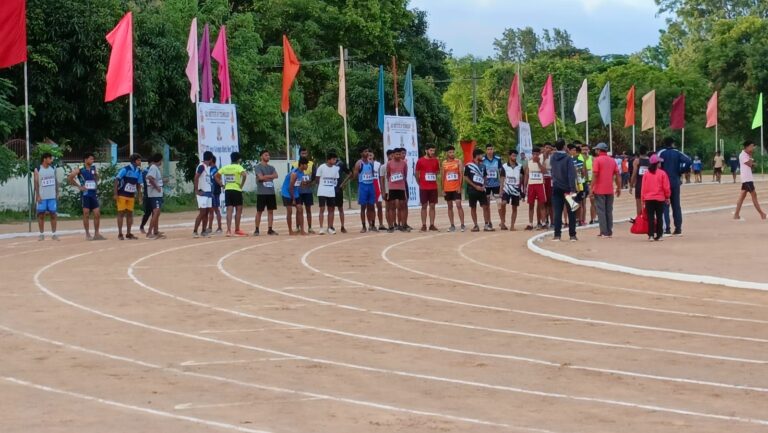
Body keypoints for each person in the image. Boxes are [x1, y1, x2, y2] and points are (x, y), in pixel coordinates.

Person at [67, 152, 105, 240]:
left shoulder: (93, 168)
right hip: (85, 194)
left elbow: (97, 178)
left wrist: (96, 178)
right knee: (86, 213)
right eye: (91, 159)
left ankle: (96, 234)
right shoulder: (80, 168)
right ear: (86, 159)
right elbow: (70, 177)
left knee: (97, 213)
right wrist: (79, 186)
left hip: (93, 194)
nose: (92, 160)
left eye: (93, 159)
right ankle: (87, 234)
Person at [658, 137, 691, 235]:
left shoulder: (661, 153)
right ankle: (678, 228)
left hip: (664, 181)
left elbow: (655, 163)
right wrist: (680, 171)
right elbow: (688, 161)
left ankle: (666, 229)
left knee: (665, 205)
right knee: (676, 205)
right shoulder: (677, 152)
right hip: (675, 181)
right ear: (672, 144)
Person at [591, 142, 621, 238]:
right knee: (609, 210)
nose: (595, 151)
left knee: (601, 211)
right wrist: (619, 187)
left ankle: (604, 231)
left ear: (599, 150)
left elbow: (595, 175)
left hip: (599, 189)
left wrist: (591, 187)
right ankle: (609, 231)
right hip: (609, 189)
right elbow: (617, 175)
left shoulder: (597, 160)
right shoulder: (612, 161)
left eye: (596, 149)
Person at [550, 139, 578, 241]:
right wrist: (573, 189)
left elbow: (552, 171)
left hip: (556, 186)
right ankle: (572, 235)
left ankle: (557, 235)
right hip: (567, 188)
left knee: (557, 212)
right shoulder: (568, 158)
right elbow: (571, 175)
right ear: (564, 146)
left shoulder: (552, 158)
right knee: (571, 212)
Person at [215, 151, 247, 237]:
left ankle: (228, 230)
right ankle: (237, 229)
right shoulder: (239, 167)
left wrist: (221, 184)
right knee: (239, 209)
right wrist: (241, 185)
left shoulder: (226, 167)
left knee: (229, 210)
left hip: (228, 190)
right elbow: (244, 175)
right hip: (236, 189)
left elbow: (216, 176)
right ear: (239, 159)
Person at [733, 140, 767, 220]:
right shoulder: (743, 155)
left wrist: (751, 160)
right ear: (747, 147)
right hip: (747, 179)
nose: (752, 148)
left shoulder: (746, 155)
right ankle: (762, 214)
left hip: (747, 178)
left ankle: (736, 215)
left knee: (742, 197)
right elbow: (750, 164)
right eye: (751, 146)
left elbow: (750, 165)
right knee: (754, 195)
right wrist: (751, 157)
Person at [346, 148, 378, 233]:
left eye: (367, 151)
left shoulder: (371, 163)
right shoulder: (359, 163)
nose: (367, 153)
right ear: (361, 153)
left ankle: (373, 225)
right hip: (363, 186)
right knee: (363, 207)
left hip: (370, 185)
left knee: (372, 206)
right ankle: (364, 226)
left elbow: (373, 174)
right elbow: (355, 176)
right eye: (365, 151)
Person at [641, 154, 671, 241]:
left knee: (650, 217)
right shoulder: (662, 173)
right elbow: (666, 187)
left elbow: (643, 188)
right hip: (659, 198)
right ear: (657, 163)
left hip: (648, 199)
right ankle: (659, 235)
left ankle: (650, 235)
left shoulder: (646, 174)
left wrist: (643, 199)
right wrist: (667, 197)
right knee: (659, 217)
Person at [114, 153, 143, 240]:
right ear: (134, 161)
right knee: (121, 213)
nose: (140, 162)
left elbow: (138, 184)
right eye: (139, 160)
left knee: (130, 213)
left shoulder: (139, 171)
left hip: (131, 195)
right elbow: (116, 180)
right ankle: (120, 234)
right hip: (122, 194)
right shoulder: (125, 169)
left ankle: (128, 233)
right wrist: (115, 193)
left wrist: (139, 196)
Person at [465, 148, 494, 232]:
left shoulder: (483, 166)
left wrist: (484, 185)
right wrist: (475, 186)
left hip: (481, 190)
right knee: (473, 207)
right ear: (477, 156)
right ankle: (475, 225)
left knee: (485, 206)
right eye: (481, 155)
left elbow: (485, 176)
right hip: (472, 190)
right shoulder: (468, 165)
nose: (482, 157)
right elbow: (466, 177)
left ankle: (486, 225)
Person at [34, 152, 59, 241]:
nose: (51, 160)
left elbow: (56, 181)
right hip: (42, 197)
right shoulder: (37, 169)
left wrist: (57, 193)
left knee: (53, 214)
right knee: (41, 215)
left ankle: (54, 234)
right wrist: (38, 196)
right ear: (45, 159)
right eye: (50, 158)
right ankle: (41, 234)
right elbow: (36, 183)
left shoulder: (53, 168)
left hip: (52, 196)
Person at [254, 150, 279, 236]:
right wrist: (268, 177)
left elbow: (276, 175)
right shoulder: (258, 167)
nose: (268, 157)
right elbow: (260, 178)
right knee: (259, 211)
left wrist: (266, 176)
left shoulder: (271, 167)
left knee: (270, 211)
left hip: (271, 193)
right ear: (261, 156)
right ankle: (257, 229)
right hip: (261, 193)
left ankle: (270, 229)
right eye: (266, 155)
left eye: (268, 155)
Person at [416, 144, 440, 232]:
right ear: (426, 150)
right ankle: (423, 225)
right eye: (431, 150)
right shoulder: (420, 161)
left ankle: (432, 224)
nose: (432, 152)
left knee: (432, 205)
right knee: (424, 206)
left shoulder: (436, 160)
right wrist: (420, 184)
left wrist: (432, 175)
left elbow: (437, 172)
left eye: (433, 151)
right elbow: (416, 174)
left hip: (433, 187)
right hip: (424, 187)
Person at [441, 145, 465, 232]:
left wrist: (460, 186)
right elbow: (443, 176)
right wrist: (442, 189)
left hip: (456, 187)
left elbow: (461, 174)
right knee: (449, 206)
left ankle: (462, 224)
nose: (452, 154)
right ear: (446, 153)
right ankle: (452, 225)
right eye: (450, 152)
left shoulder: (458, 162)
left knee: (459, 205)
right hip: (447, 188)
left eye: (453, 152)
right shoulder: (444, 163)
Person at [282, 157, 308, 235]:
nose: (307, 166)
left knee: (300, 209)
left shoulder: (302, 173)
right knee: (289, 211)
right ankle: (290, 230)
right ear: (302, 165)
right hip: (287, 192)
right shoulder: (294, 173)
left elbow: (298, 185)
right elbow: (290, 187)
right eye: (306, 164)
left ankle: (302, 230)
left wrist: (304, 184)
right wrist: (293, 199)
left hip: (295, 192)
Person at [292, 148, 316, 234]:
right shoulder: (294, 164)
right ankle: (297, 227)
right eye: (302, 153)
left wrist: (309, 183)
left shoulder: (311, 164)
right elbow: (292, 177)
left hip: (308, 191)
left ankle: (310, 227)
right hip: (298, 191)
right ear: (299, 154)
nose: (304, 155)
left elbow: (314, 177)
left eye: (305, 153)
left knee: (308, 209)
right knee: (298, 209)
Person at [316, 152, 340, 235]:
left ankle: (330, 227)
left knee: (331, 209)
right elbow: (317, 178)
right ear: (328, 160)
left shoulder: (336, 168)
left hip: (331, 191)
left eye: (335, 159)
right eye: (333, 159)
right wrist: (322, 186)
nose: (335, 161)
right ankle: (321, 228)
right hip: (322, 191)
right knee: (322, 209)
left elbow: (336, 179)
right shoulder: (321, 167)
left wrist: (332, 187)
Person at [386, 148, 410, 232]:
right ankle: (391, 226)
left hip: (401, 187)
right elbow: (388, 175)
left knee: (402, 205)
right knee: (391, 206)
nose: (398, 156)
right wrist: (390, 184)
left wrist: (401, 182)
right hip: (392, 187)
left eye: (399, 154)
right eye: (396, 154)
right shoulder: (389, 163)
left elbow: (405, 174)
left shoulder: (404, 163)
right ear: (394, 155)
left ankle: (403, 225)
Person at [500, 149, 524, 231]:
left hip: (516, 189)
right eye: (513, 155)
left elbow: (521, 179)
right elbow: (502, 179)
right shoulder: (504, 166)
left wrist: (521, 191)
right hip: (506, 188)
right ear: (509, 156)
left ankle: (512, 225)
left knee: (515, 207)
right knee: (503, 203)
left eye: (516, 156)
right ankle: (502, 221)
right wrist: (501, 190)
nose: (514, 157)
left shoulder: (520, 166)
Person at [524, 147, 547, 230]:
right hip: (531, 185)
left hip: (540, 184)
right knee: (531, 205)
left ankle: (543, 222)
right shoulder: (529, 162)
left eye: (537, 154)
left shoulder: (541, 161)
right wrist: (525, 186)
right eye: (534, 154)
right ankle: (530, 223)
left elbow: (544, 171)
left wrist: (538, 163)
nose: (536, 156)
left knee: (542, 204)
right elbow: (526, 175)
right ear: (532, 154)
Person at [193, 151, 214, 238]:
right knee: (202, 213)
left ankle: (204, 231)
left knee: (206, 213)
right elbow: (196, 177)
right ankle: (195, 231)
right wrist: (196, 190)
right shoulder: (201, 166)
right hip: (202, 193)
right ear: (210, 159)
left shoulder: (207, 167)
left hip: (208, 193)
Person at [482, 144, 503, 229]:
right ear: (486, 150)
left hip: (496, 184)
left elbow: (501, 172)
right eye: (488, 149)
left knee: (499, 203)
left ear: (493, 150)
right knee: (486, 205)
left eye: (491, 149)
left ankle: (502, 222)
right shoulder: (483, 160)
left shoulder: (497, 159)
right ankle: (488, 222)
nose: (490, 151)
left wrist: (502, 184)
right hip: (486, 185)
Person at [145, 153, 165, 239]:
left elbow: (154, 179)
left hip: (157, 194)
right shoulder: (153, 167)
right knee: (156, 212)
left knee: (157, 212)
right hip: (154, 194)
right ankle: (149, 232)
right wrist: (157, 187)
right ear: (159, 160)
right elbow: (149, 177)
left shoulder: (155, 168)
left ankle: (155, 231)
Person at [629, 145, 650, 217]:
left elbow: (634, 174)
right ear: (647, 152)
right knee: (648, 204)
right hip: (649, 186)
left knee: (638, 204)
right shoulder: (650, 161)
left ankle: (639, 220)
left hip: (640, 185)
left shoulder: (637, 161)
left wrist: (631, 186)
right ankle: (648, 220)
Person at [579, 143, 596, 225]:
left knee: (593, 201)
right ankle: (582, 219)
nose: (585, 151)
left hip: (591, 182)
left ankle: (593, 219)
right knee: (583, 202)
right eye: (583, 150)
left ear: (589, 150)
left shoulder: (592, 159)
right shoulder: (579, 159)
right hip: (583, 182)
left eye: (586, 149)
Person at [370, 153, 387, 231]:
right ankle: (371, 224)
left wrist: (382, 189)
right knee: (371, 207)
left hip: (377, 187)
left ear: (373, 156)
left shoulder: (378, 164)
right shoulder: (365, 164)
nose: (370, 156)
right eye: (368, 155)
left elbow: (381, 177)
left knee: (379, 206)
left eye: (371, 155)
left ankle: (381, 224)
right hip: (369, 186)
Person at [334, 156, 350, 233]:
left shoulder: (340, 164)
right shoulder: (328, 165)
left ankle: (342, 226)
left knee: (340, 208)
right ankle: (331, 226)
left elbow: (350, 173)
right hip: (330, 189)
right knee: (331, 208)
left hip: (338, 189)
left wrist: (343, 183)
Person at [207, 155, 223, 234]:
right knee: (211, 210)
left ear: (211, 160)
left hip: (215, 192)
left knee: (216, 209)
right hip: (211, 192)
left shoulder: (215, 170)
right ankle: (210, 227)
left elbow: (217, 180)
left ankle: (219, 227)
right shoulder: (210, 169)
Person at [139, 164, 151, 234]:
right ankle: (142, 226)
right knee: (147, 212)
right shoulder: (145, 172)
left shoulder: (155, 170)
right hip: (147, 195)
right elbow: (142, 184)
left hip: (154, 194)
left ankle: (154, 229)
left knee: (155, 212)